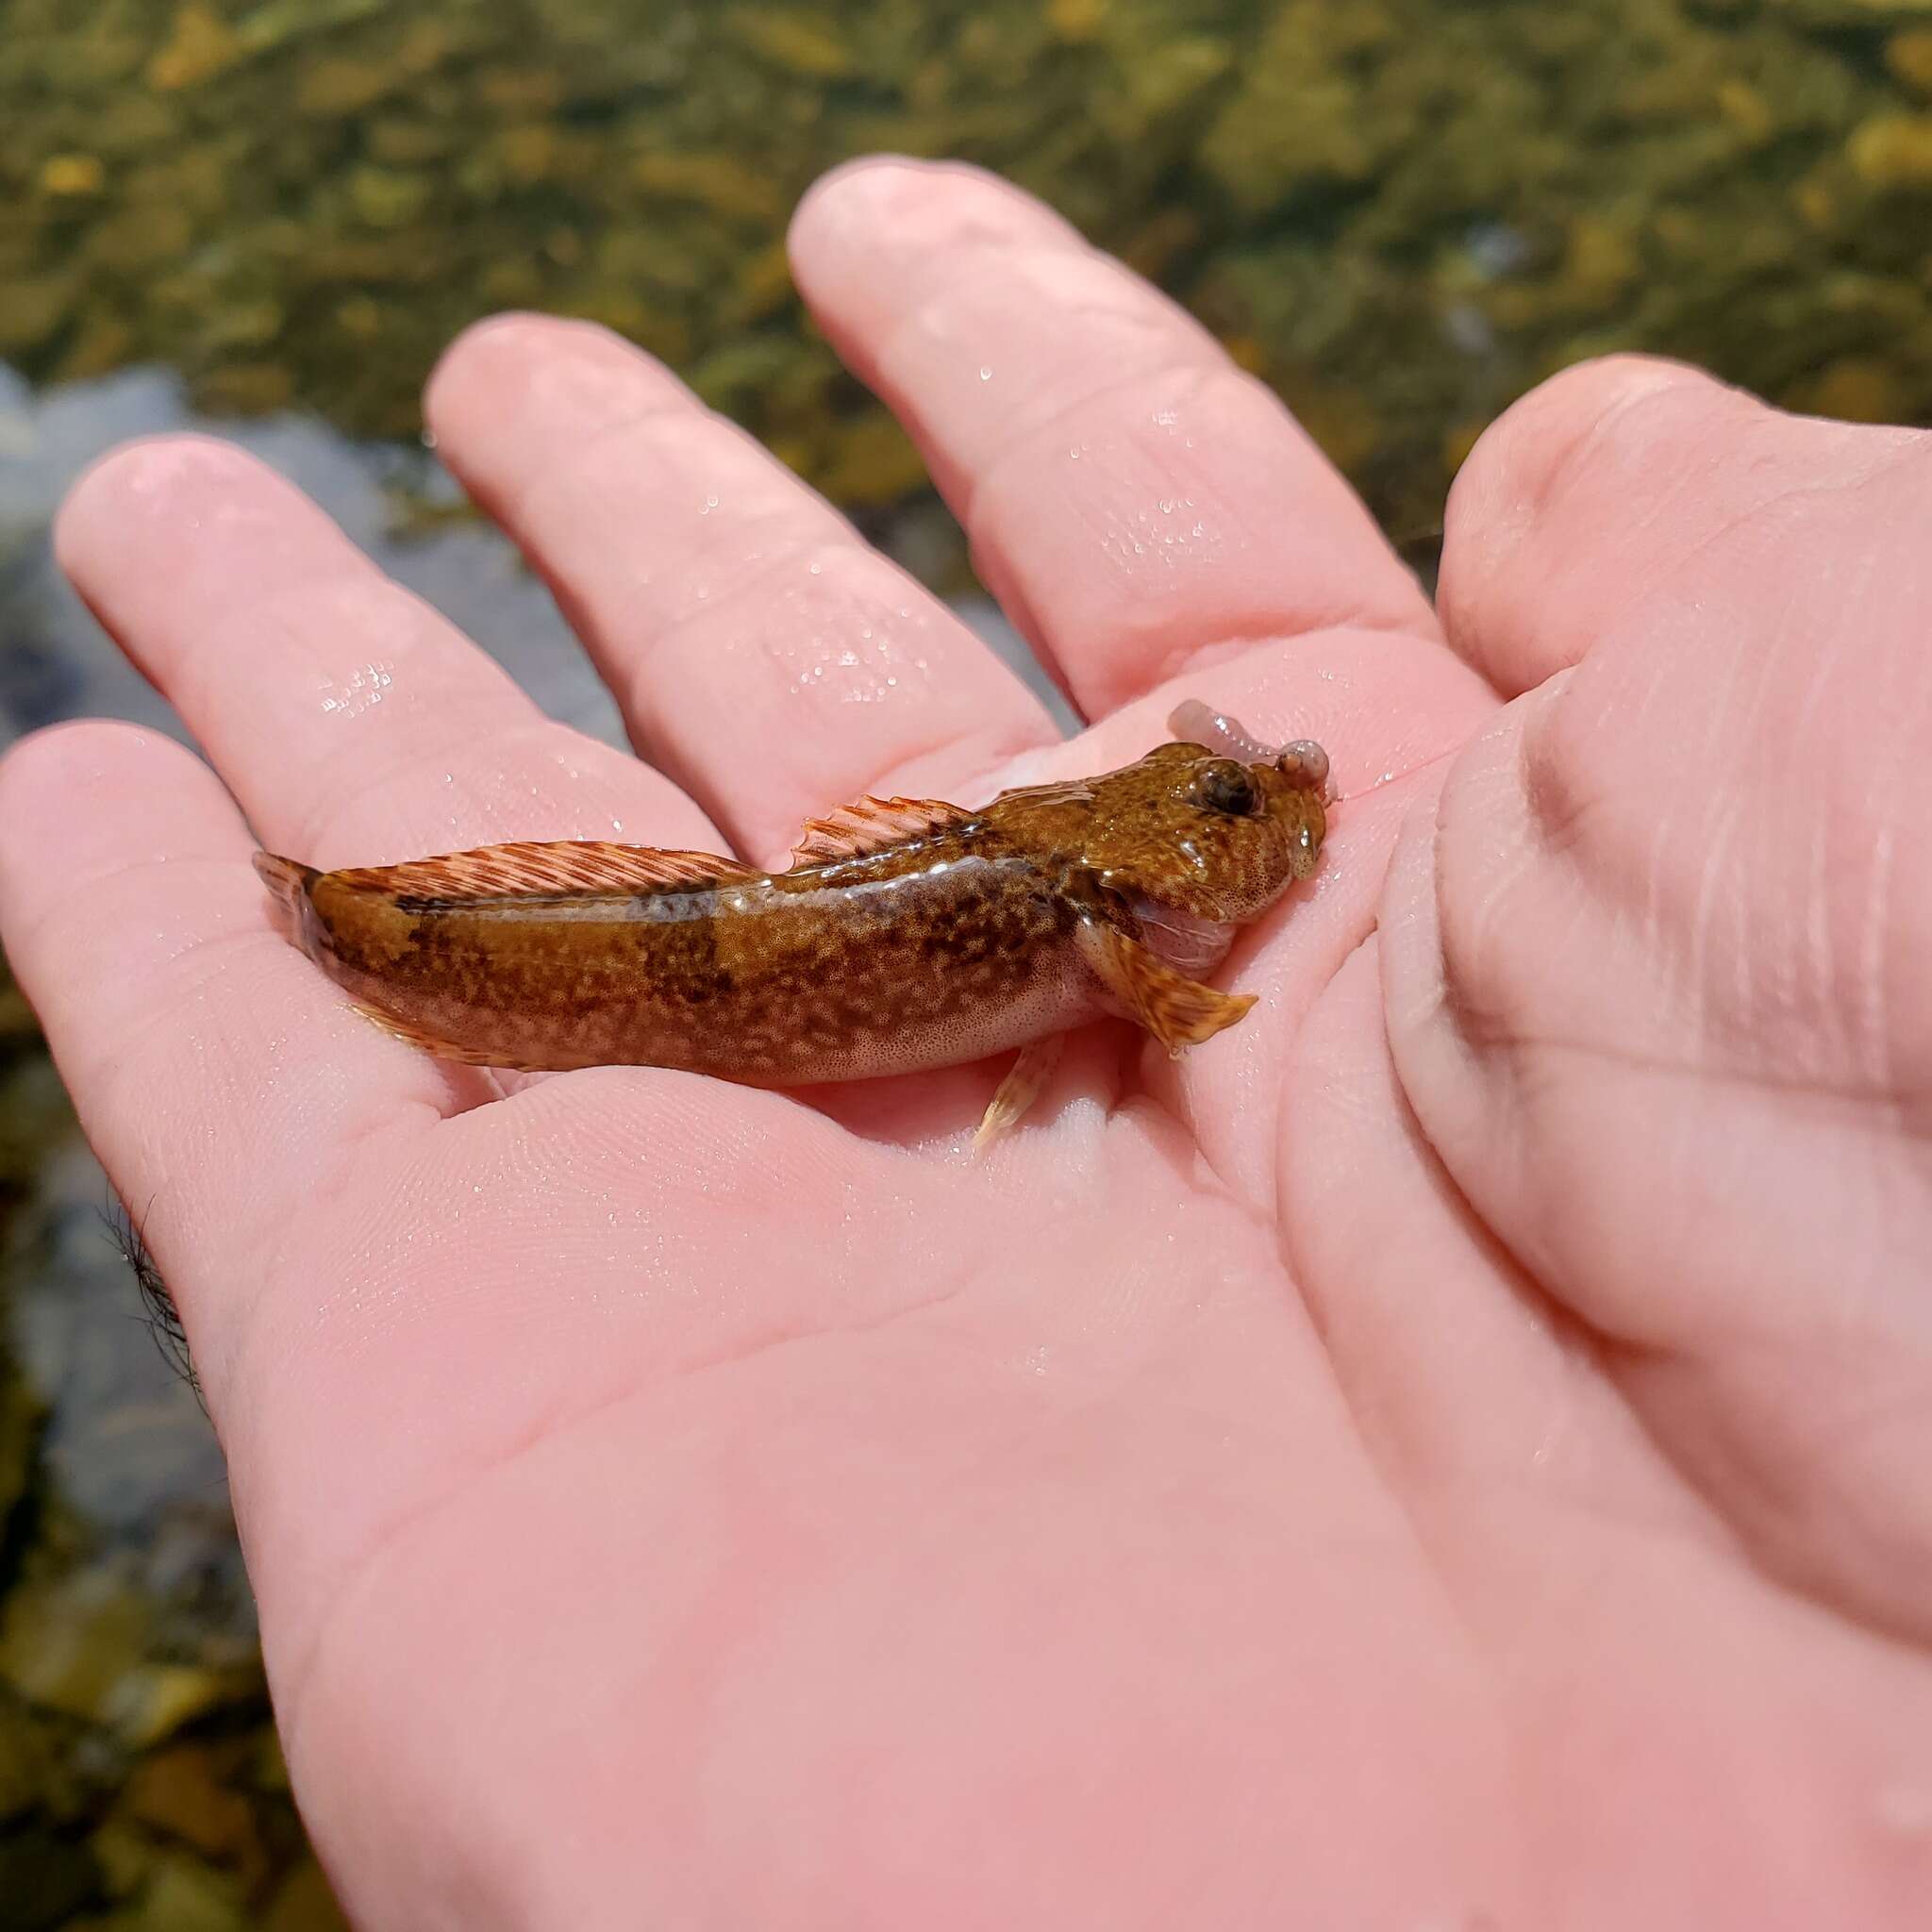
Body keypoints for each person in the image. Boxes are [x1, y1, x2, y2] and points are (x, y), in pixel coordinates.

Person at [2, 156, 1926, 1928]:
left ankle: (356, 919)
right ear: (1128, 913)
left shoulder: (1100, 901)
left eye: (1241, 805)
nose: (1277, 811)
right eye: (1234, 817)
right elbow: (1161, 970)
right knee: (380, 938)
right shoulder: (1120, 919)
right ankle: (348, 921)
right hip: (719, 953)